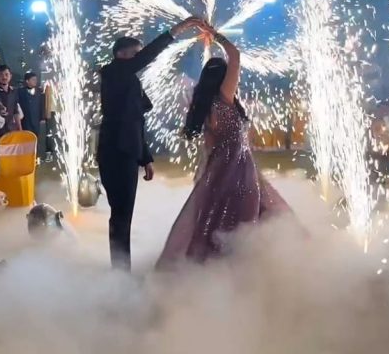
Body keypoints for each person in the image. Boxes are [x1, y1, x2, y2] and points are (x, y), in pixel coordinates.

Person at [157, 25, 291, 268]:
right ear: (223, 78)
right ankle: (241, 267)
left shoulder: (204, 107)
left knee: (217, 218)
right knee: (247, 215)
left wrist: (205, 173)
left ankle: (216, 267)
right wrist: (213, 33)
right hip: (239, 167)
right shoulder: (224, 98)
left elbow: (208, 147)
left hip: (219, 168)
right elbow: (236, 55)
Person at [97, 15, 204, 270]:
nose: (140, 58)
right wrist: (179, 29)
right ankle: (121, 272)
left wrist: (145, 159)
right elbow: (149, 55)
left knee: (123, 214)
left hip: (128, 150)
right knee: (121, 214)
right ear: (122, 54)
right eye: (136, 53)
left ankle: (121, 268)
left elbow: (136, 122)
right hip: (116, 153)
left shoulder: (128, 79)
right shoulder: (113, 72)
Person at [0, 65, 22, 134]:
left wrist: (19, 128)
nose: (4, 77)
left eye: (6, 74)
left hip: (11, 127)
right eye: (1, 74)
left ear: (10, 76)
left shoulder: (14, 91)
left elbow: (15, 111)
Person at [18, 71, 45, 137]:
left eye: (36, 79)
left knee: (36, 139)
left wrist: (42, 118)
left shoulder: (39, 91)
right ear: (27, 81)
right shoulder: (20, 92)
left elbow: (41, 105)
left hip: (36, 121)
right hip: (25, 121)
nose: (35, 81)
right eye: (33, 79)